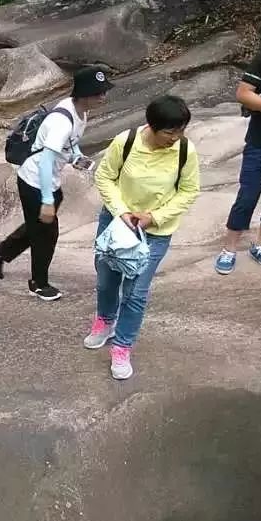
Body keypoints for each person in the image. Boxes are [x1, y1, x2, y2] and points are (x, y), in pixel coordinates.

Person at [88, 95, 201, 380]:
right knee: (106, 280)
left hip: (155, 231)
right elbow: (104, 177)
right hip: (117, 224)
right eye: (170, 132)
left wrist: (155, 216)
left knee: (136, 292)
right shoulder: (125, 142)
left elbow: (189, 191)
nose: (176, 138)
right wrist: (122, 212)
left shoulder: (185, 151)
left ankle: (122, 345)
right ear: (152, 126)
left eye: (181, 131)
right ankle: (105, 320)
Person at [0, 65, 113, 300]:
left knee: (37, 226)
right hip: (35, 181)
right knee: (46, 233)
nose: (103, 96)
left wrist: (76, 157)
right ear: (84, 93)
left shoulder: (79, 111)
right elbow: (46, 160)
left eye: (103, 91)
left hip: (49, 179)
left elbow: (70, 143)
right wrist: (47, 200)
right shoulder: (63, 121)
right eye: (98, 92)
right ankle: (38, 284)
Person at [214, 32, 261, 274]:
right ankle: (229, 249)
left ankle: (260, 245)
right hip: (260, 143)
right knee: (247, 196)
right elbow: (243, 94)